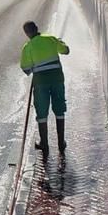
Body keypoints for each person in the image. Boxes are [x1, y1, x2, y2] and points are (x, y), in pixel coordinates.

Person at [19, 21, 70, 152]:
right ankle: (61, 143)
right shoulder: (51, 39)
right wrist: (60, 42)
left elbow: (26, 69)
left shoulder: (28, 47)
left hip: (40, 82)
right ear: (37, 28)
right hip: (57, 79)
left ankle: (44, 144)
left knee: (41, 112)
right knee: (59, 109)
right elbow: (66, 50)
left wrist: (33, 67)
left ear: (26, 34)